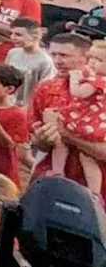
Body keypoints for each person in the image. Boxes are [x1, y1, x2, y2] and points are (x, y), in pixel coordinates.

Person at [27, 31, 106, 204]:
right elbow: (37, 142)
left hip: (97, 191)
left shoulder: (101, 91)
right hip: (53, 183)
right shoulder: (45, 89)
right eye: (53, 54)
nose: (57, 61)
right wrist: (42, 138)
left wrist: (66, 134)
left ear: (86, 58)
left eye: (64, 55)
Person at [4, 17, 55, 104]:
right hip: (10, 102)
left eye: (18, 35)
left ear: (35, 37)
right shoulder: (13, 53)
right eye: (11, 33)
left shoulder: (45, 61)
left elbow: (45, 89)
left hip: (28, 105)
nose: (13, 37)